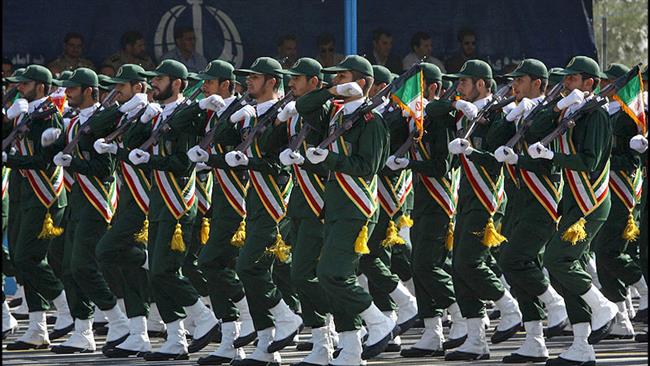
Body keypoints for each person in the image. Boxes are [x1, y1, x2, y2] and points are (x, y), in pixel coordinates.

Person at [298, 55, 396, 365]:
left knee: (332, 273)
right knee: (330, 278)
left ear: (362, 83)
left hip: (356, 207)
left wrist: (327, 160)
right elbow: (303, 106)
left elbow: (368, 167)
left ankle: (379, 321)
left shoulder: (373, 121)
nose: (337, 82)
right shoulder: (337, 115)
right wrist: (329, 91)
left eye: (343, 78)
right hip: (336, 205)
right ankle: (352, 349)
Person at [527, 55, 619, 365]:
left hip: (590, 201)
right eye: (565, 79)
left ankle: (604, 306)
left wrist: (551, 157)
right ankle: (582, 345)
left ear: (589, 83)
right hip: (573, 201)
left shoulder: (594, 115)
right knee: (567, 266)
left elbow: (589, 161)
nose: (565, 84)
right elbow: (532, 129)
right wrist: (555, 108)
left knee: (557, 258)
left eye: (572, 79)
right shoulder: (571, 110)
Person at [127, 59, 219, 361]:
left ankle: (204, 318)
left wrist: (150, 161)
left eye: (161, 79)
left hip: (177, 204)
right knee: (156, 273)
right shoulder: (158, 114)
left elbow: (182, 162)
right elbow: (130, 146)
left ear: (177, 83)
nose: (154, 84)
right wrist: (141, 120)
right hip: (159, 204)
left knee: (164, 271)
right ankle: (176, 339)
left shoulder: (188, 116)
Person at [385, 63, 470, 358]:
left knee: (426, 265)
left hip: (440, 201)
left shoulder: (441, 121)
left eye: (418, 90)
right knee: (419, 268)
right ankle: (432, 331)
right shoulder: (414, 121)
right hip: (422, 202)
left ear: (434, 89)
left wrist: (409, 164)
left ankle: (461, 317)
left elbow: (441, 166)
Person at [222, 57, 303, 366]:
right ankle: (267, 345)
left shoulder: (284, 113)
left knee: (248, 267)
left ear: (272, 81)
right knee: (255, 270)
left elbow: (281, 163)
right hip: (254, 198)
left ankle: (286, 317)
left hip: (274, 201)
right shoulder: (251, 113)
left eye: (255, 78)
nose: (248, 83)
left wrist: (249, 162)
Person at [442, 59, 523, 361]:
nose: (458, 88)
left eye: (463, 83)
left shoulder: (498, 114)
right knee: (458, 268)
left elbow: (497, 159)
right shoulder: (468, 114)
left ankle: (509, 307)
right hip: (466, 197)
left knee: (469, 263)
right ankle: (476, 340)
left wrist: (471, 150)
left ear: (480, 84)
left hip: (487, 199)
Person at [492, 59, 571, 363]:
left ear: (538, 83)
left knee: (513, 259)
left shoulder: (550, 112)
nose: (515, 86)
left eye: (521, 80)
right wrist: (504, 118)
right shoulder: (518, 110)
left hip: (542, 199)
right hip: (517, 198)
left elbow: (548, 159)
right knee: (519, 269)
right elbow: (495, 143)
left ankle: (555, 303)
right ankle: (535, 339)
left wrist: (519, 160)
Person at [183, 59, 257, 365]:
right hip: (218, 198)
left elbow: (247, 153)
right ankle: (232, 339)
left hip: (240, 199)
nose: (205, 89)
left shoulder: (243, 113)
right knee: (215, 266)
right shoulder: (214, 113)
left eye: (210, 83)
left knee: (211, 261)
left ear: (226, 84)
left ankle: (253, 316)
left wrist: (211, 160)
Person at [2, 65, 74, 351]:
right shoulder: (24, 112)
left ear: (42, 87)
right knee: (23, 260)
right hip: (23, 193)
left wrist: (10, 160)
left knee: (26, 258)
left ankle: (66, 309)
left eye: (26, 84)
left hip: (44, 197)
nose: (20, 88)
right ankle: (37, 327)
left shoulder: (49, 115)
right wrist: (8, 117)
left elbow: (46, 160)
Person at [273, 57, 337, 365]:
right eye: (290, 78)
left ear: (314, 82)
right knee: (297, 272)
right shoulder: (295, 111)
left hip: (318, 203)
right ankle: (325, 338)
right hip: (299, 201)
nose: (291, 83)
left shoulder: (317, 107)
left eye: (298, 79)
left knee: (304, 274)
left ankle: (334, 330)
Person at [91, 64, 155, 358]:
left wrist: (129, 112)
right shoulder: (127, 113)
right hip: (126, 195)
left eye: (123, 87)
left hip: (143, 198)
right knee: (128, 269)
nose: (117, 91)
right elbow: (94, 125)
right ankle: (138, 332)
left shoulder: (147, 114)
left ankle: (147, 258)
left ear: (139, 88)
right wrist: (116, 107)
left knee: (106, 250)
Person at [592, 62, 647, 339]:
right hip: (605, 186)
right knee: (603, 254)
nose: (604, 87)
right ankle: (621, 318)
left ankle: (645, 291)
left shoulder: (630, 114)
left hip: (622, 185)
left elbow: (633, 155)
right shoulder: (608, 113)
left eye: (609, 83)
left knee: (609, 251)